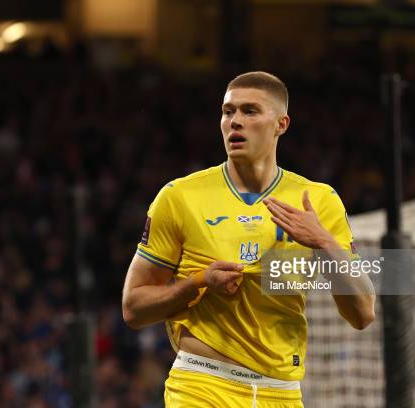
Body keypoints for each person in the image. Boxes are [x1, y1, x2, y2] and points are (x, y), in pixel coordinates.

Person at [122, 71, 375, 407]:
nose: (235, 121)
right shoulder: (180, 196)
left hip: (281, 392)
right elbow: (133, 308)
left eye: (250, 111)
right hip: (202, 384)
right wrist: (198, 282)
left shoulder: (318, 201)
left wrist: (325, 243)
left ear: (281, 124)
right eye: (228, 112)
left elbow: (362, 314)